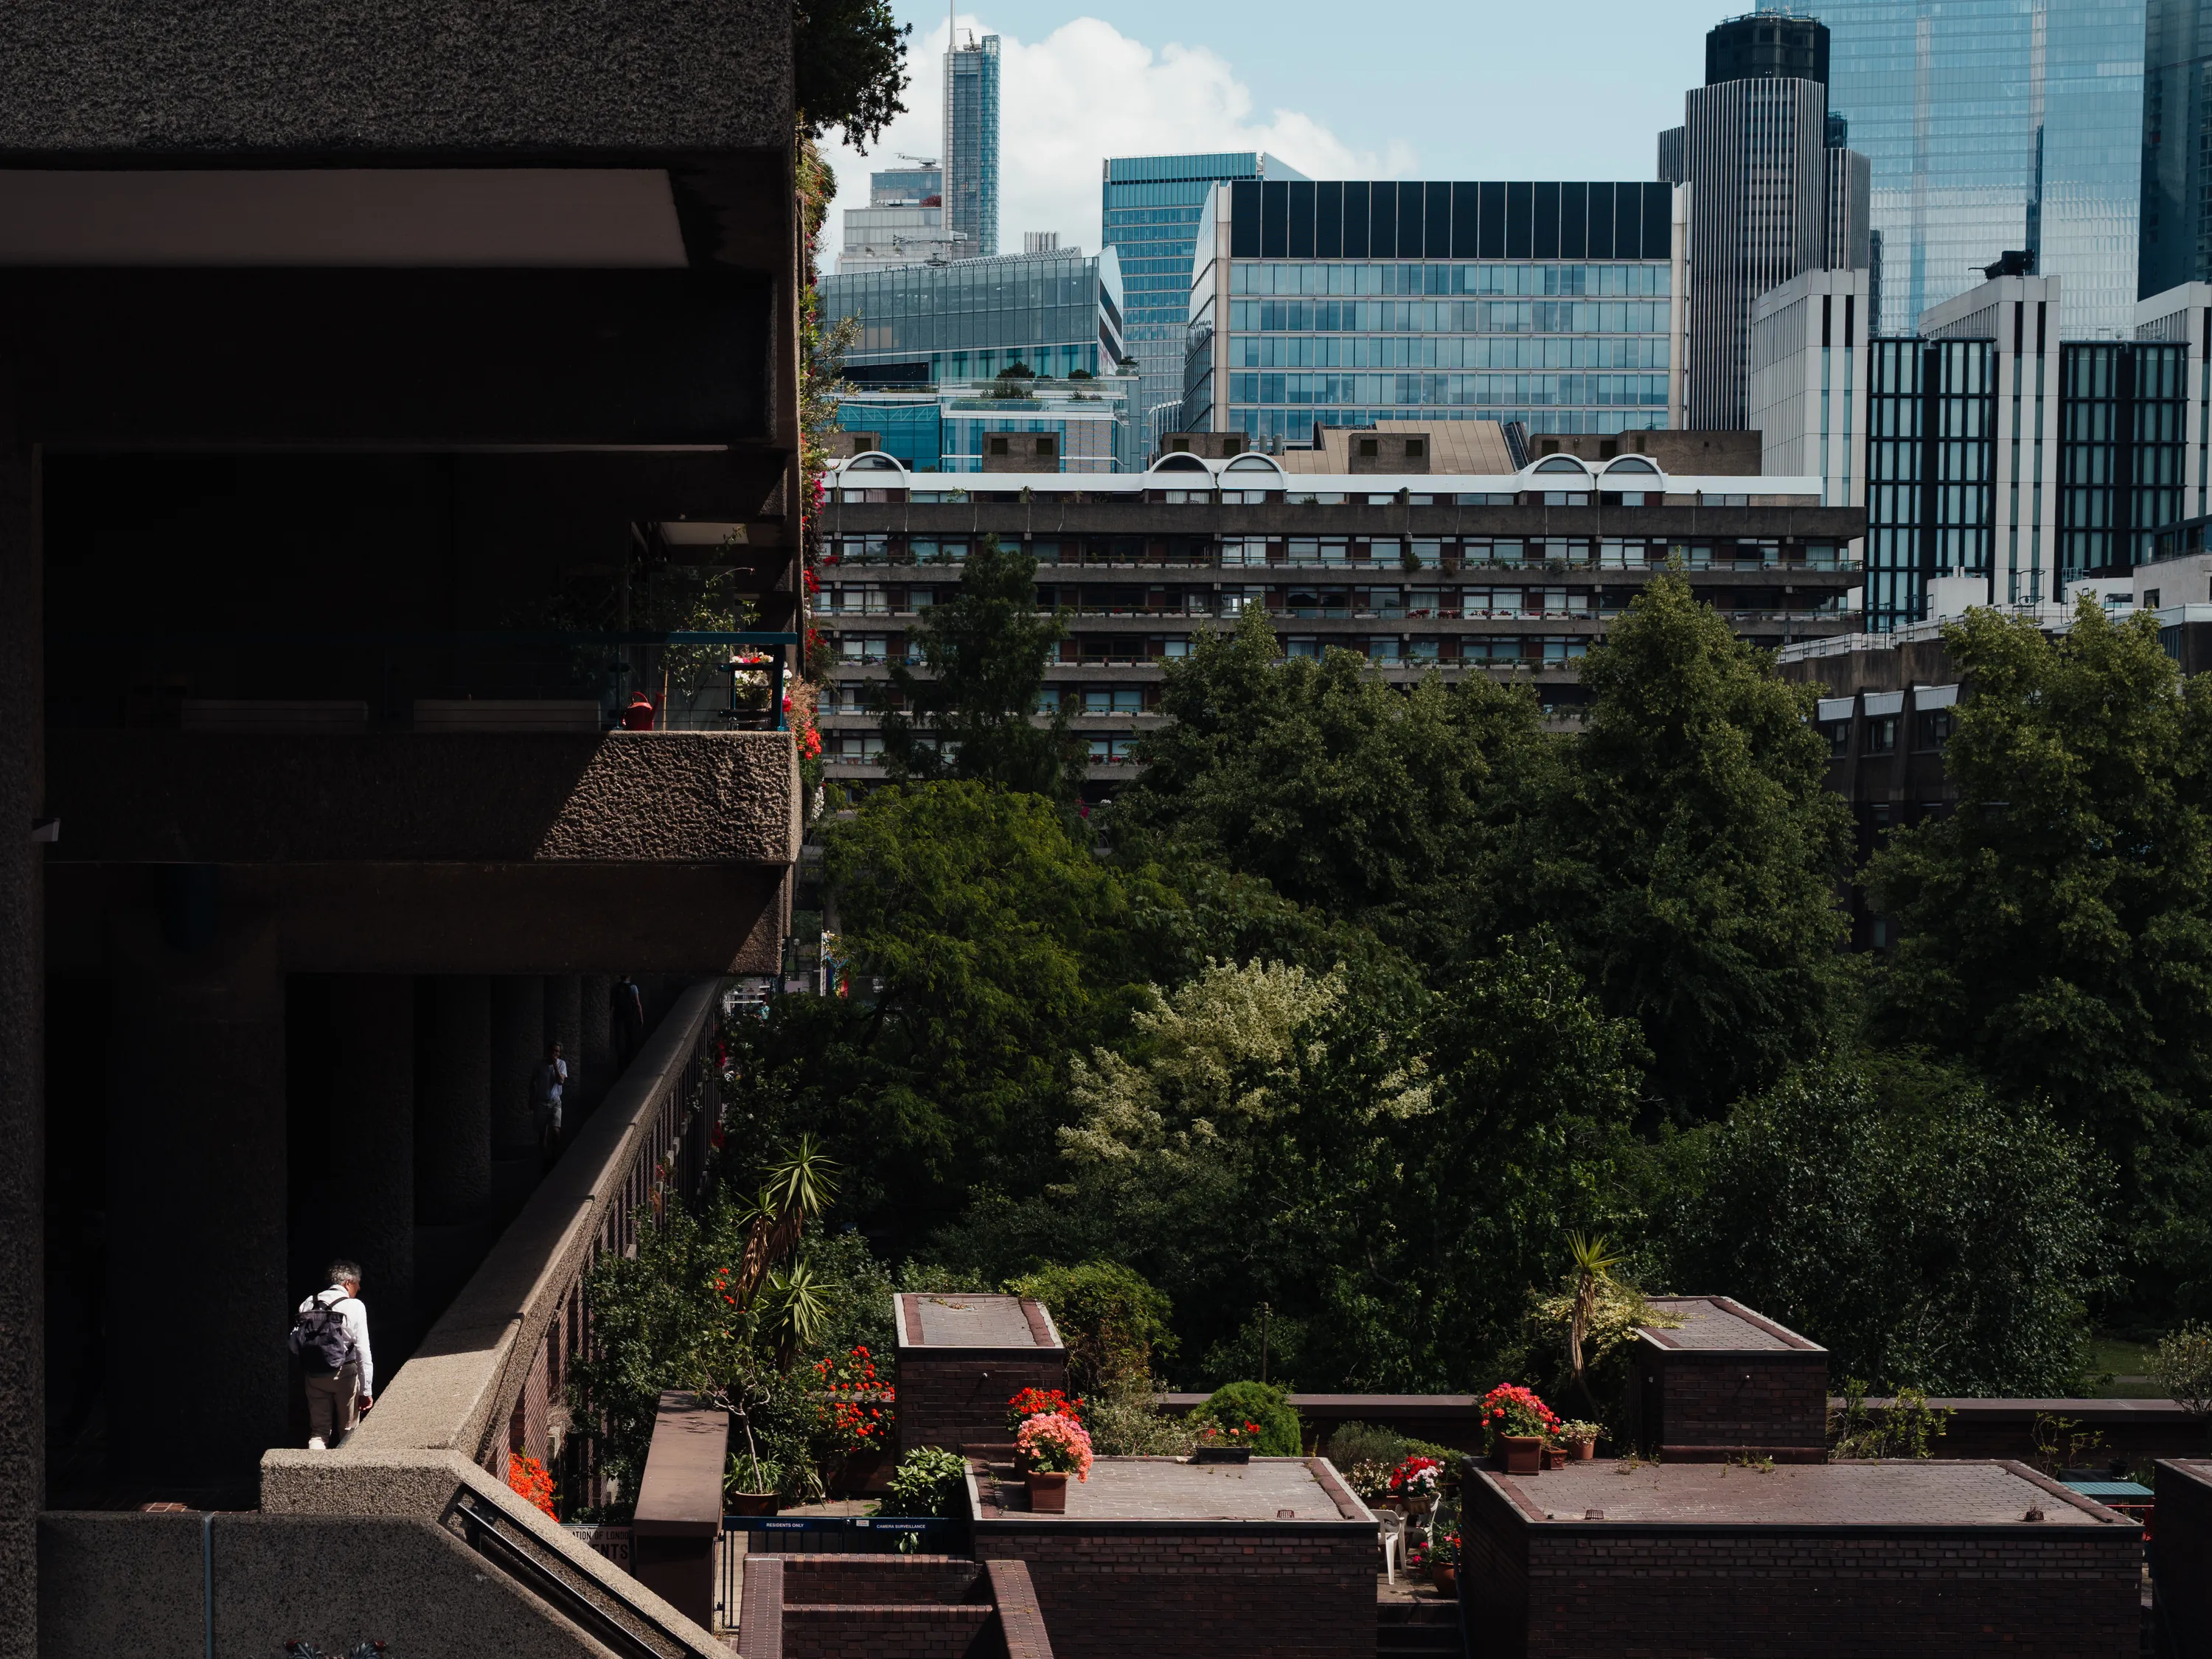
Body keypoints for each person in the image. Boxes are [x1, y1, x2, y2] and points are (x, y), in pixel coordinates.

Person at [291, 1260, 373, 1450]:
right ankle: (347, 1475)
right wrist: (366, 1391)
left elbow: (294, 1343)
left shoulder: (309, 1302)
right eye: (357, 1283)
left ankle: (313, 1473)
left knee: (319, 1432)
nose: (359, 1287)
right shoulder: (355, 1306)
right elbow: (363, 1350)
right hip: (345, 1372)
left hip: (314, 1375)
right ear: (347, 1283)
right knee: (348, 1431)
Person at [531, 1039, 568, 1166]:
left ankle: (554, 1157)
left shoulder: (561, 1064)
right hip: (541, 1102)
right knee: (543, 1134)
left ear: (559, 1054)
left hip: (555, 1102)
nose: (554, 1053)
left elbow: (560, 1081)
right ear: (548, 1051)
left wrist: (555, 1065)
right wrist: (531, 1099)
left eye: (557, 1051)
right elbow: (532, 1082)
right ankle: (544, 1161)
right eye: (552, 1050)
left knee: (556, 1132)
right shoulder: (539, 1065)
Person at [612, 975, 646, 1070]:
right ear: (629, 977)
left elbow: (612, 1004)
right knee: (629, 1035)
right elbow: (638, 1004)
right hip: (629, 1015)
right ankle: (629, 1057)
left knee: (619, 1037)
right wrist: (641, 1017)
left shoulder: (616, 987)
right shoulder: (633, 987)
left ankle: (620, 1058)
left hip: (618, 1015)